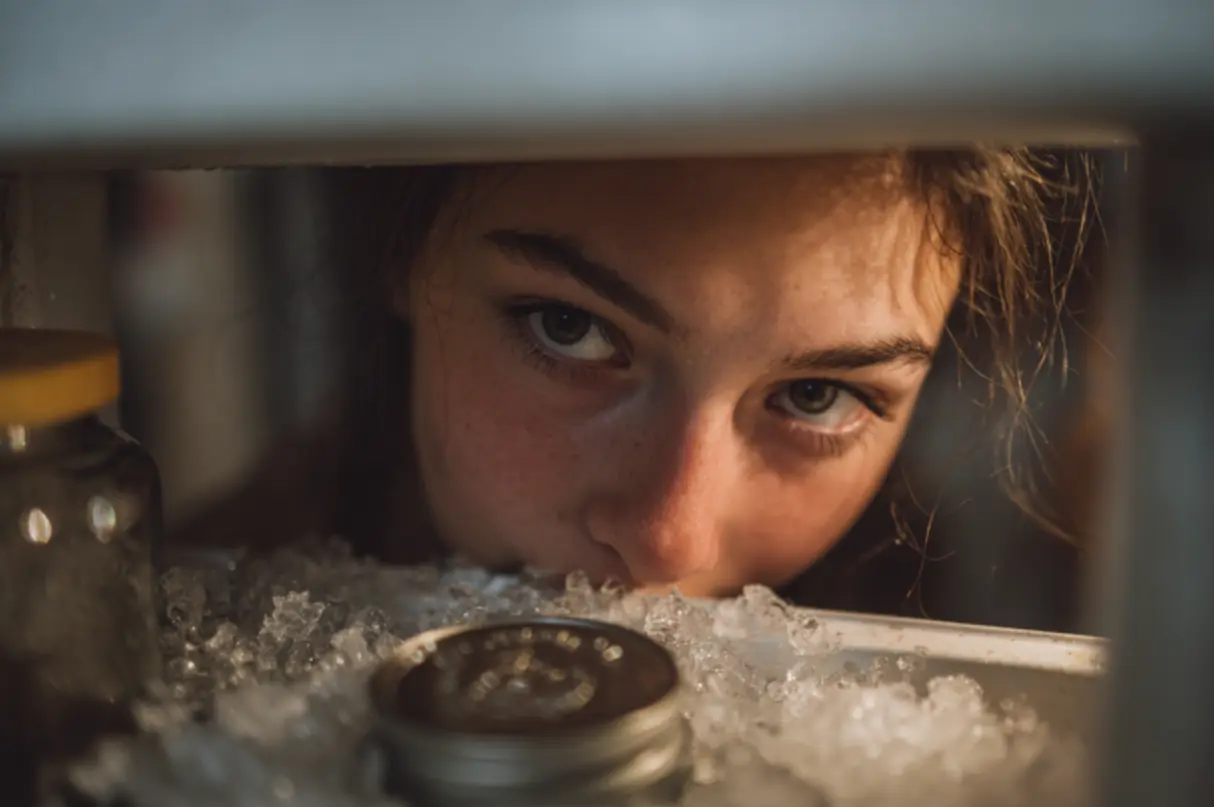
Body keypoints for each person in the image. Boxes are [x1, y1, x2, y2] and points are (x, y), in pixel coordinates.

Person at [180, 151, 1102, 619]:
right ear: (404, 252)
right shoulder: (167, 643)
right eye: (570, 329)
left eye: (816, 395)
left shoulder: (941, 666)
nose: (669, 543)